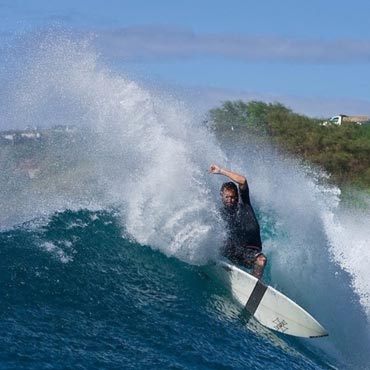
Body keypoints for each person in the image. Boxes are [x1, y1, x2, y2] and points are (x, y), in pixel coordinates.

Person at [209, 164, 267, 279]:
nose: (231, 200)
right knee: (214, 246)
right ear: (222, 196)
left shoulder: (244, 204)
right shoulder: (220, 213)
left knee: (261, 260)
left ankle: (253, 285)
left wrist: (221, 170)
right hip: (233, 249)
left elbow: (243, 181)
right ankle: (208, 272)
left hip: (250, 250)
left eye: (233, 197)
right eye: (227, 197)